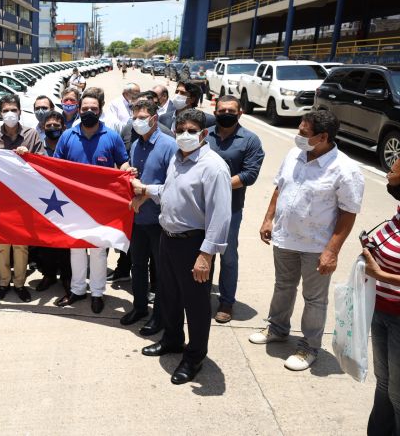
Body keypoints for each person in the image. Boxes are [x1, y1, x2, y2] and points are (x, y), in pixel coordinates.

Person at [251, 109, 364, 371]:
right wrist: (269, 219)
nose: (298, 136)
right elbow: (280, 186)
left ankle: (309, 347)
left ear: (323, 137)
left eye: (304, 133)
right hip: (286, 238)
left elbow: (348, 214)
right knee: (283, 286)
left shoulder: (345, 169)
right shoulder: (294, 155)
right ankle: (278, 328)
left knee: (314, 299)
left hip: (316, 246)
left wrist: (332, 251)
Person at [131, 108, 232, 385]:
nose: (184, 135)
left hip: (194, 245)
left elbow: (220, 215)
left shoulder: (213, 167)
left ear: (203, 134)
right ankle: (173, 340)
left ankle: (194, 356)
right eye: (180, 130)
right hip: (168, 238)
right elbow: (168, 191)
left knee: (196, 306)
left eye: (191, 131)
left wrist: (206, 255)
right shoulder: (178, 158)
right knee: (169, 295)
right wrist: (145, 190)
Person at [54, 87, 130, 314]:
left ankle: (97, 292)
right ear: (78, 109)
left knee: (98, 250)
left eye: (93, 108)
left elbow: (122, 163)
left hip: (100, 204)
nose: (88, 111)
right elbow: (56, 166)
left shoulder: (112, 136)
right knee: (76, 248)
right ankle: (77, 290)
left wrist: (128, 170)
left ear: (100, 110)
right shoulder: (68, 136)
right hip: (73, 203)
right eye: (84, 108)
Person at [119, 100, 178, 335]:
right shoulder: (136, 145)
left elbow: (173, 185)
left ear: (154, 119)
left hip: (159, 220)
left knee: (161, 271)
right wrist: (128, 170)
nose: (138, 122)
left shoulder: (169, 146)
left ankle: (160, 316)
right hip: (138, 219)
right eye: (135, 117)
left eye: (142, 117)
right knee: (137, 266)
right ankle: (140, 307)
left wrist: (144, 194)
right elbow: (135, 178)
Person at [206, 95, 264, 323]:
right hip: (202, 206)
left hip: (230, 208)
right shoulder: (205, 134)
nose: (226, 114)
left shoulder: (250, 140)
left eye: (231, 111)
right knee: (203, 251)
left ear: (240, 113)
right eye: (222, 111)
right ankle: (201, 295)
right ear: (215, 112)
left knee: (228, 256)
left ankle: (227, 301)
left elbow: (250, 174)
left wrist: (217, 184)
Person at [0, 94, 45, 303]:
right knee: (1, 245)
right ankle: (3, 283)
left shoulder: (31, 135)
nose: (10, 114)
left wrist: (29, 156)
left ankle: (19, 284)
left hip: (23, 198)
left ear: (19, 111)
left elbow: (42, 164)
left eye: (14, 110)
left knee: (20, 244)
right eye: (6, 110)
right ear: (1, 113)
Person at [361, 156, 400, 435]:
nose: (388, 172)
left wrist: (382, 275)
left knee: (398, 394)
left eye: (396, 169)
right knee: (383, 382)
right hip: (382, 309)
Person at [35, 110, 72, 294]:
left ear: (64, 128)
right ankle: (48, 275)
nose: (52, 129)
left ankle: (67, 276)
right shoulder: (38, 147)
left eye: (56, 126)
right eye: (48, 126)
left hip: (66, 200)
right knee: (46, 242)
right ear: (43, 127)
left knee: (65, 241)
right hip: (44, 200)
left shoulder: (69, 145)